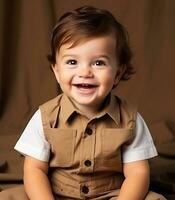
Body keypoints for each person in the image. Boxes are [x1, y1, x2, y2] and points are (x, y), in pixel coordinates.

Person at [0, 5, 166, 200]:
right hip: (56, 193)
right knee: (9, 197)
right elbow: (34, 169)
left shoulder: (130, 119)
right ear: (56, 71)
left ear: (118, 73)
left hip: (111, 194)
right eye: (72, 62)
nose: (85, 72)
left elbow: (137, 173)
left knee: (155, 199)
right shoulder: (46, 117)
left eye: (98, 63)